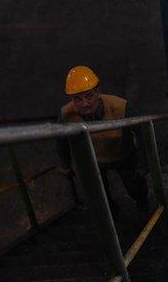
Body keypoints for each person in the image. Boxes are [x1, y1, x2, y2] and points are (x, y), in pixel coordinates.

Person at [57, 66, 149, 214]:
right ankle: (111, 214)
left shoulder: (120, 106)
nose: (84, 103)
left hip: (124, 154)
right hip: (96, 159)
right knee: (99, 194)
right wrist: (65, 164)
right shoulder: (67, 114)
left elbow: (143, 130)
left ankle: (144, 208)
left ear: (98, 92)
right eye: (77, 99)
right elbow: (60, 140)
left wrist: (144, 162)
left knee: (136, 187)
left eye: (89, 96)